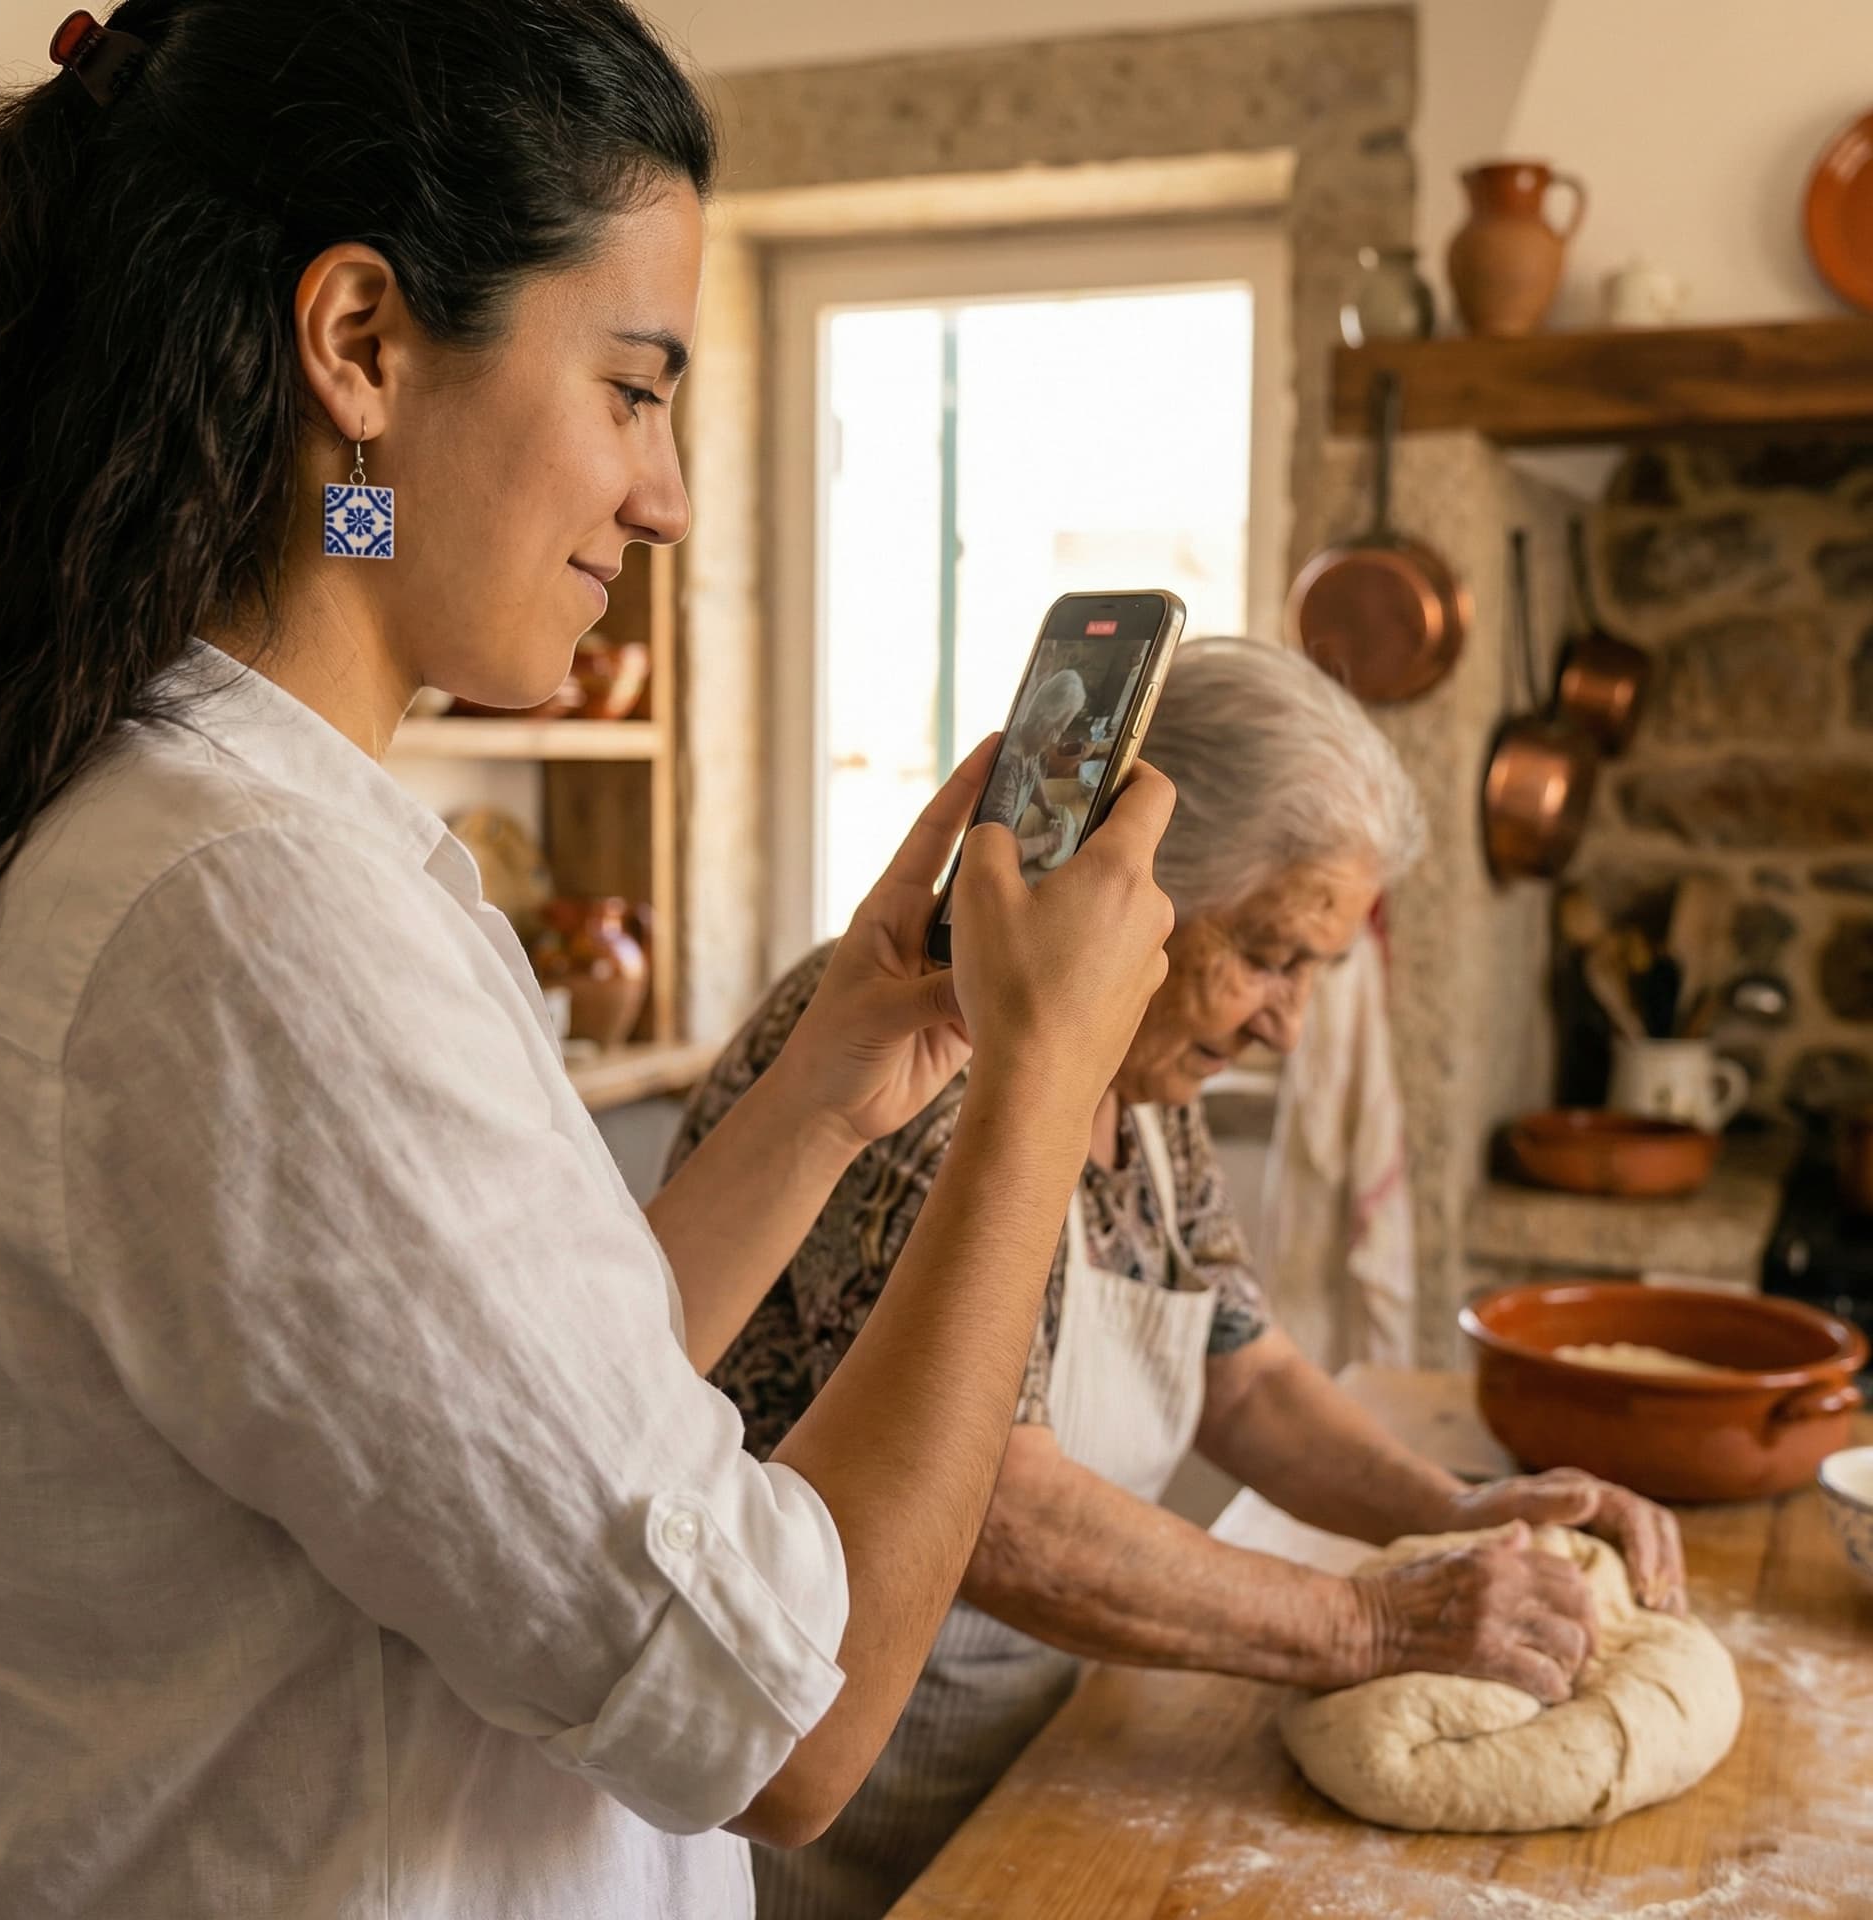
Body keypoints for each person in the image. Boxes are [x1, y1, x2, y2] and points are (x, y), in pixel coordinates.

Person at [0, 6, 1178, 1917]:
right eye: (632, 388)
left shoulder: (228, 826)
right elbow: (781, 1724)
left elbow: (535, 1410)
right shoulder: (249, 913)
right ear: (361, 345)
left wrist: (841, 1083)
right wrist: (1039, 1094)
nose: (670, 490)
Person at [672, 639, 1689, 1920]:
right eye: (1271, 954)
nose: (1289, 1024)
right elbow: (991, 1506)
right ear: (1138, 891)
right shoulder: (922, 1046)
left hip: (1031, 1755)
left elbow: (1245, 1373)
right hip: (821, 1800)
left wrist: (1451, 1512)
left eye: (1316, 967)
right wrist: (1373, 1626)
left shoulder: (1143, 1073)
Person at [985, 665, 1089, 872]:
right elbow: (997, 850)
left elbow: (1031, 777)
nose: (1056, 739)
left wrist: (1047, 808)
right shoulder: (1006, 769)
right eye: (1058, 729)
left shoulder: (1026, 743)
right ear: (1044, 719)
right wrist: (1049, 842)